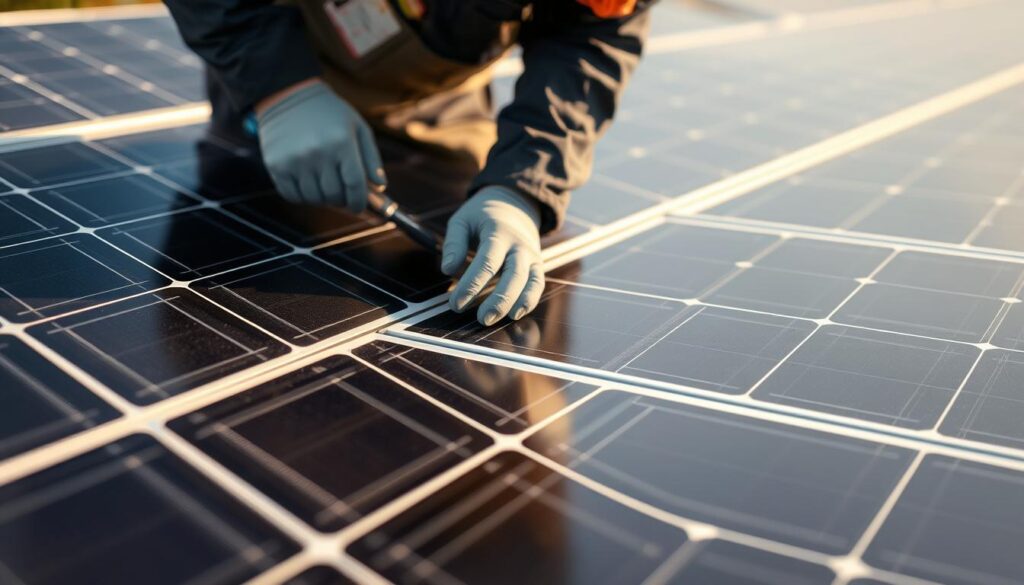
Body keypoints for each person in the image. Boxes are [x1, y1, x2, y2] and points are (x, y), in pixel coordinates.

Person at [164, 0, 651, 325]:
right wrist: (279, 89)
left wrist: (521, 185)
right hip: (283, 53)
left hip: (444, 98)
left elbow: (590, 41)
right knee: (244, 233)